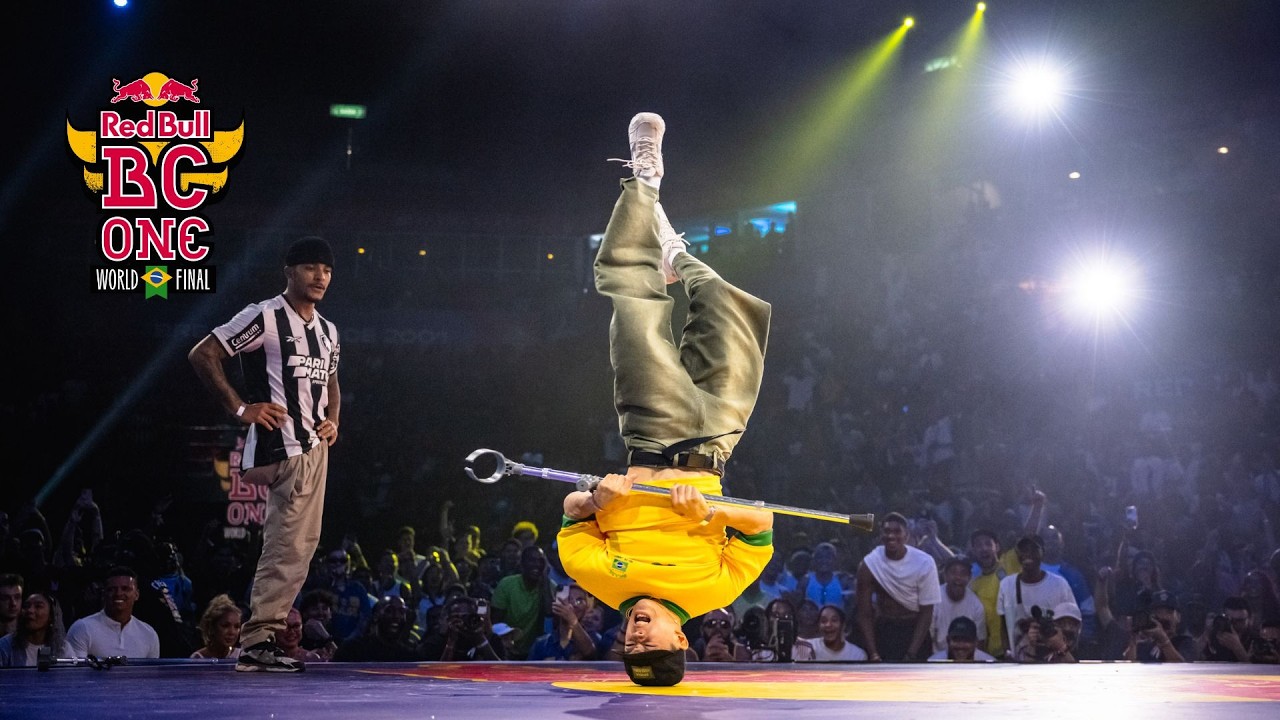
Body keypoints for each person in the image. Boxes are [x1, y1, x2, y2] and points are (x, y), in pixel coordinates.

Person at [556, 112, 775, 687]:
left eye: (629, 646)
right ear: (680, 639)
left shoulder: (602, 582)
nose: (634, 637)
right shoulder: (714, 590)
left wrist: (595, 499)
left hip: (653, 434)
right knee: (729, 305)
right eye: (647, 644)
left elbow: (571, 518)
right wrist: (712, 513)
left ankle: (644, 180)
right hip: (718, 437)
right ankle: (674, 253)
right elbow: (761, 525)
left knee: (634, 315)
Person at [188, 235, 341, 673]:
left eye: (327, 270)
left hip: (313, 448)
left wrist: (333, 420)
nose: (320, 276)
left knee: (300, 547)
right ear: (289, 272)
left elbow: (331, 382)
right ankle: (257, 641)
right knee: (287, 547)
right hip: (283, 445)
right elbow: (204, 354)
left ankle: (263, 638)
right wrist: (241, 408)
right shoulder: (266, 315)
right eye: (310, 267)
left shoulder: (328, 331)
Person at [856, 512, 940, 662]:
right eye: (887, 531)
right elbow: (864, 613)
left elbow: (926, 613)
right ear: (881, 535)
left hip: (914, 628)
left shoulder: (924, 562)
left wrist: (911, 653)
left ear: (906, 535)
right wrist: (873, 652)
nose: (891, 536)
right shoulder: (870, 564)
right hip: (885, 628)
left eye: (897, 531)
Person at [995, 534, 1075, 657]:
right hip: (1019, 661)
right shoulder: (1006, 585)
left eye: (1034, 549)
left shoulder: (1060, 584)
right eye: (1023, 550)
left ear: (1043, 552)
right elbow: (1003, 626)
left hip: (1054, 660)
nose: (1028, 553)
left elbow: (1072, 623)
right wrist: (1008, 653)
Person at [64, 566, 160, 660]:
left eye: (125, 589)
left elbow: (152, 670)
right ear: (104, 594)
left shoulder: (148, 634)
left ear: (136, 594)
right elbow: (75, 669)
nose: (118, 594)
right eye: (112, 589)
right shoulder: (83, 628)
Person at [930, 557, 987, 654]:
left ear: (969, 578)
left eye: (963, 573)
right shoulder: (934, 597)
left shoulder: (976, 605)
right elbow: (928, 636)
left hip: (966, 657)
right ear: (945, 576)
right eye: (953, 572)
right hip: (938, 656)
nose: (958, 577)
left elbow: (980, 640)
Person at [0, 591, 66, 667]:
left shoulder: (63, 648)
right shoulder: (4, 646)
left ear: (51, 616)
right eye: (26, 606)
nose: (29, 610)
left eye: (38, 606)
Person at [800, 604, 867, 662]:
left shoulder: (857, 655)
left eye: (834, 620)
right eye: (824, 621)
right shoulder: (806, 647)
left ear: (843, 625)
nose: (828, 625)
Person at [190, 594, 243, 659]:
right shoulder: (198, 658)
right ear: (212, 627)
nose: (232, 632)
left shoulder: (242, 656)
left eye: (237, 627)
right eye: (225, 626)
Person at [927, 616, 996, 663]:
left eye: (966, 640)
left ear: (975, 642)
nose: (961, 645)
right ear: (948, 640)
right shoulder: (933, 663)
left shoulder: (989, 665)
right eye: (956, 640)